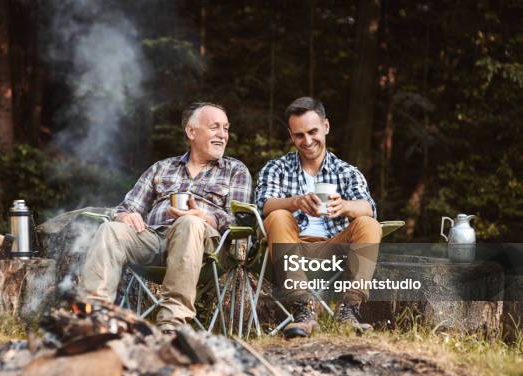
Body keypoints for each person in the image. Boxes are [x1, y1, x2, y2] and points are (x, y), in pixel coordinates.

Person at [80, 102, 253, 334]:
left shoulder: (235, 170)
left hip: (206, 247)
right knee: (111, 229)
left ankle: (172, 322)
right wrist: (125, 215)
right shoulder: (161, 168)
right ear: (191, 132)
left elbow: (240, 221)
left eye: (226, 128)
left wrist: (204, 216)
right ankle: (92, 319)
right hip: (155, 238)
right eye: (215, 127)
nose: (223, 134)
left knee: (189, 222)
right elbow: (126, 206)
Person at [255, 96, 381, 339]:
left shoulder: (346, 171)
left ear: (326, 127)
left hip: (334, 248)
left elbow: (369, 207)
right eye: (299, 135)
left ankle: (349, 309)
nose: (307, 140)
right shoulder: (276, 168)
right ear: (291, 136)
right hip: (290, 248)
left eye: (313, 131)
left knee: (368, 223)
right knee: (278, 215)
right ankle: (303, 309)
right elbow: (263, 204)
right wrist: (295, 202)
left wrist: (344, 206)